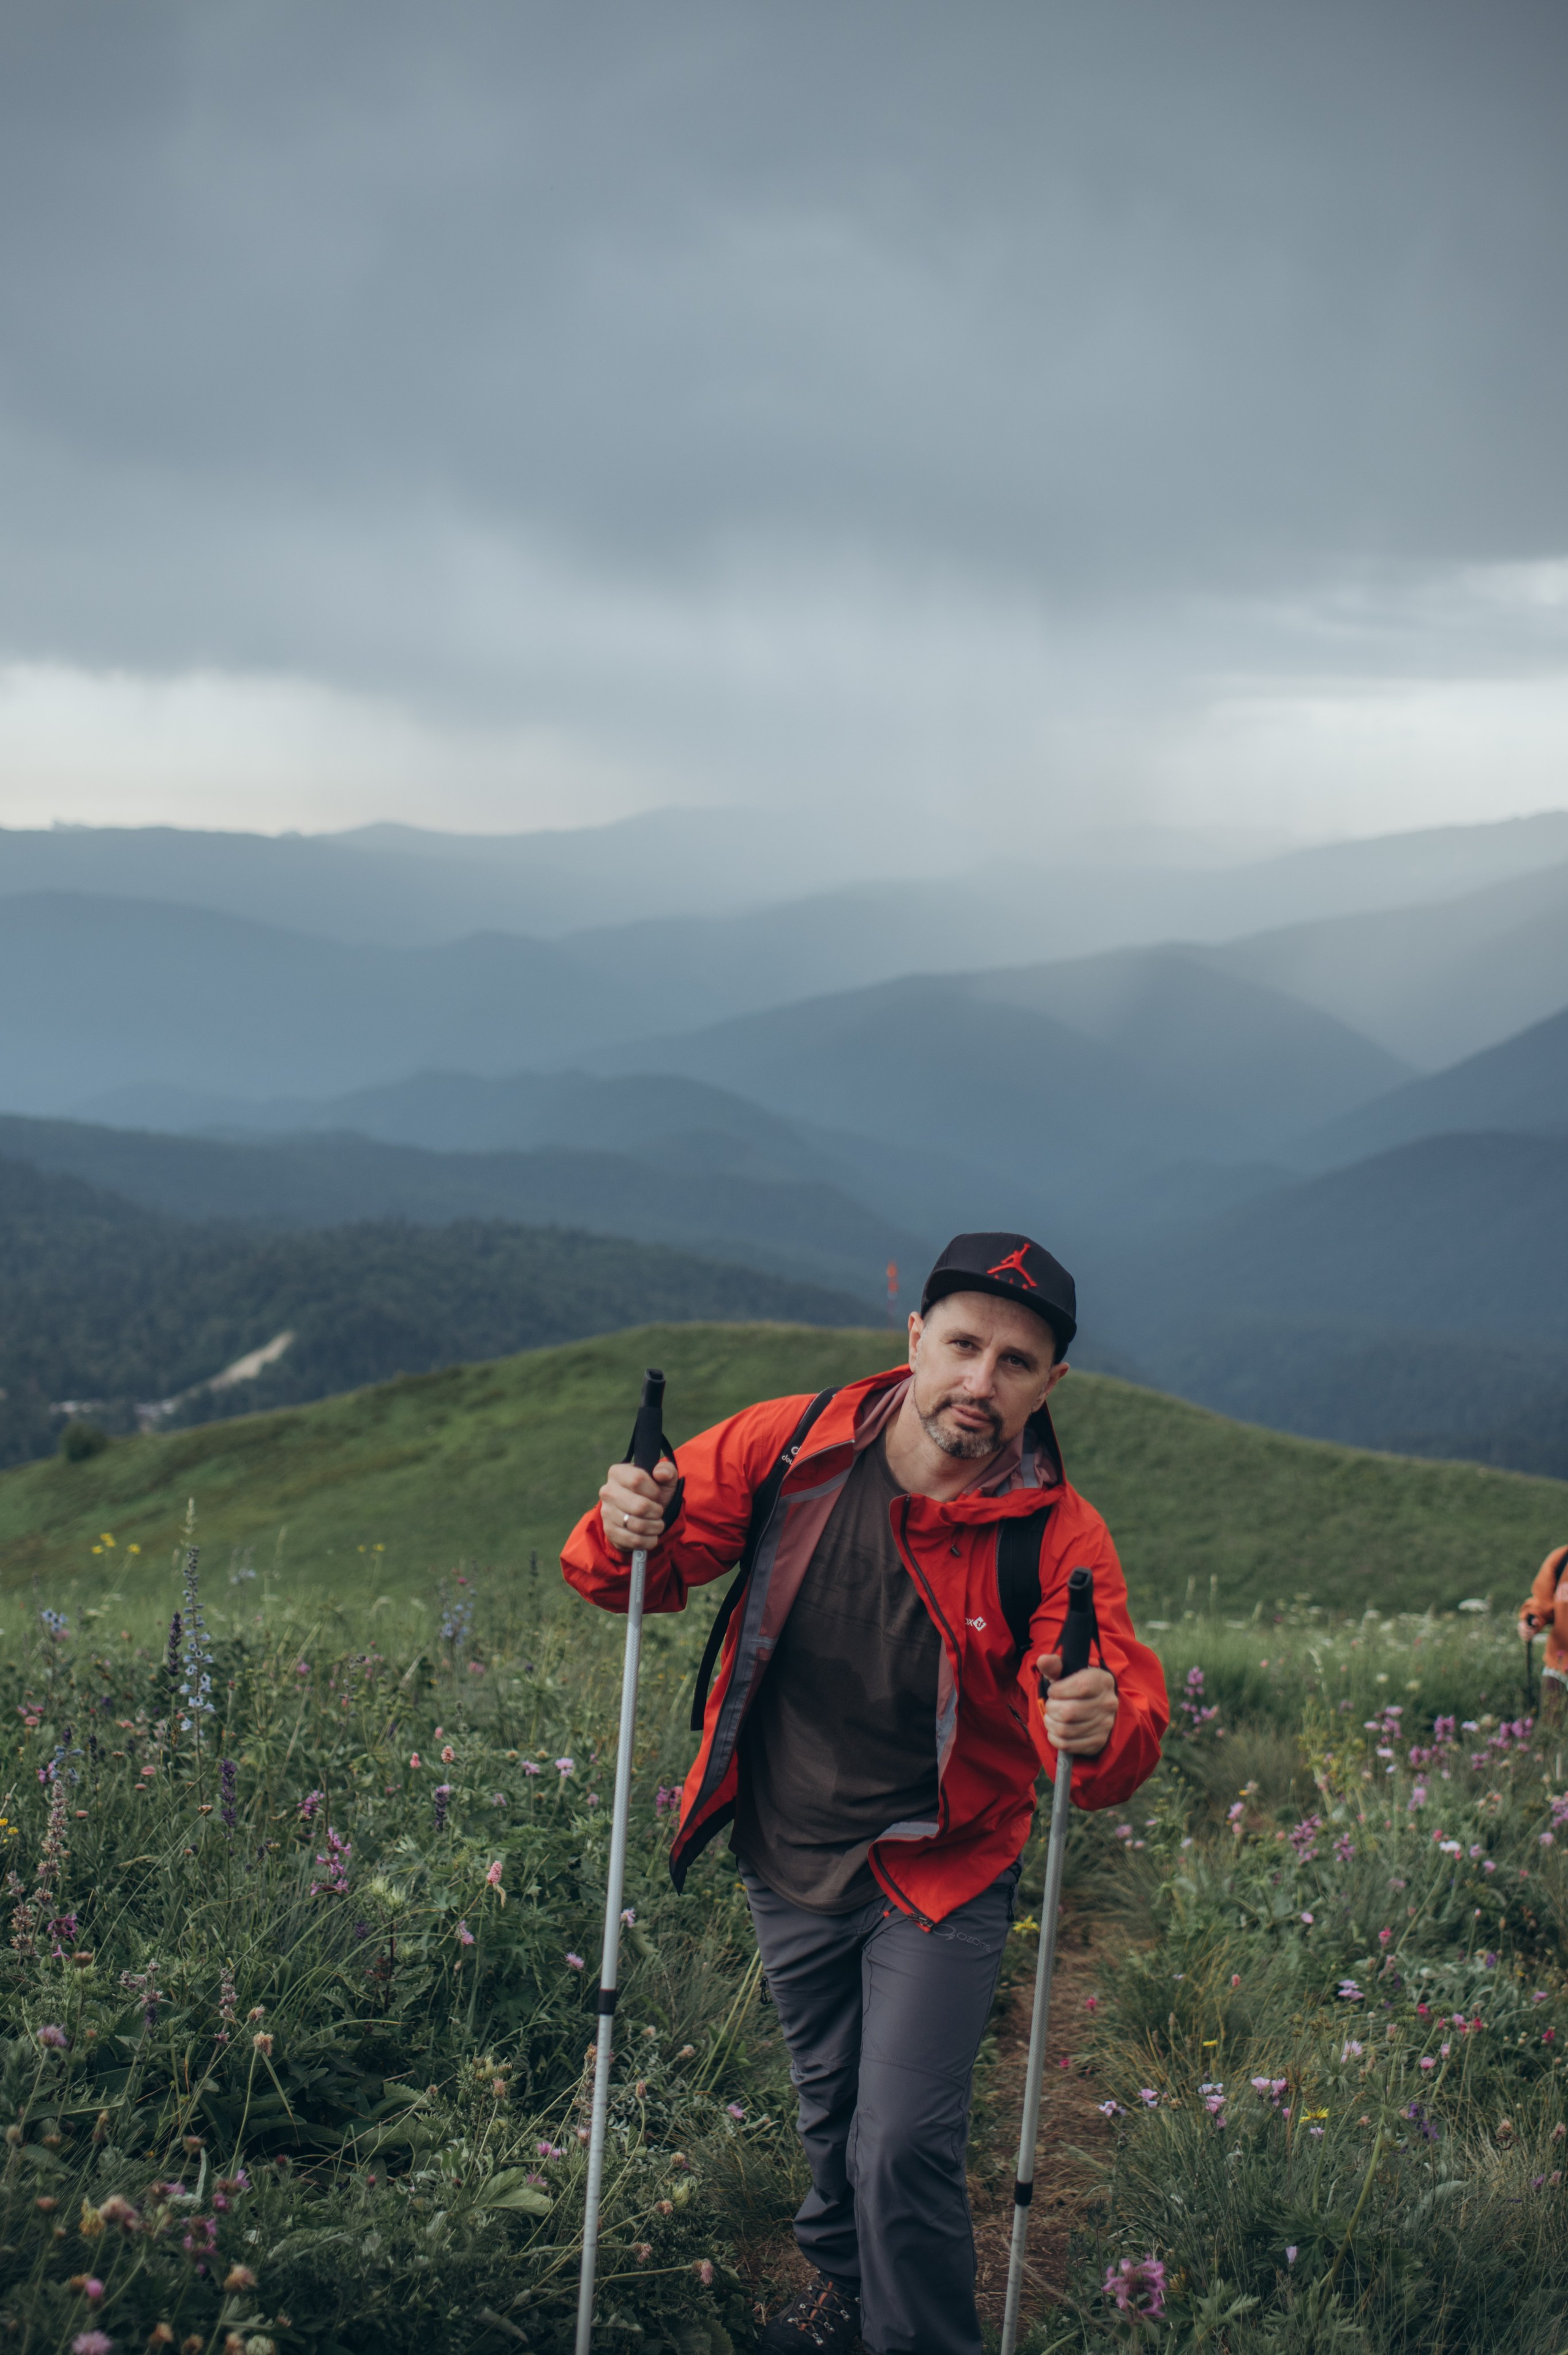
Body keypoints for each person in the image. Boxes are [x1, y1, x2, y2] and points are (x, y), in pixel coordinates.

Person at [562, 1232, 1168, 2355]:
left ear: (1053, 1384)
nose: (981, 1383)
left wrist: (1096, 1717)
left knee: (902, 2139)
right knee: (834, 2107)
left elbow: (1114, 1720)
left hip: (942, 1860)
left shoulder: (1059, 1533)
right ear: (915, 1337)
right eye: (963, 1344)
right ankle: (845, 2290)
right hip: (787, 1837)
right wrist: (622, 1523)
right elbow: (632, 1570)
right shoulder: (791, 1442)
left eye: (1018, 1363)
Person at [1519, 1542, 1568, 1723]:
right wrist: (1530, 1620)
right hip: (1559, 1664)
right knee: (1551, 1731)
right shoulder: (1561, 1559)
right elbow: (1541, 1602)